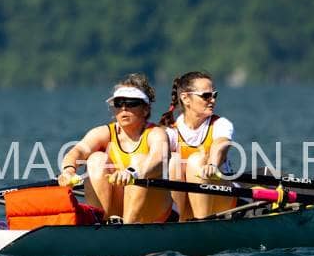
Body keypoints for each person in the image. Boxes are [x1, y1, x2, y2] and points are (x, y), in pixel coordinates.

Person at [58, 73, 173, 224]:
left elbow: (160, 159)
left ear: (145, 109)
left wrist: (132, 172)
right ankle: (99, 223)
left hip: (153, 210)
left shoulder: (156, 133)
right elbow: (77, 151)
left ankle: (127, 227)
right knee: (96, 159)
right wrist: (68, 170)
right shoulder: (103, 133)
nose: (124, 108)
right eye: (118, 103)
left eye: (131, 103)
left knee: (139, 160)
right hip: (117, 207)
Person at [158, 71, 236, 220]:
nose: (212, 100)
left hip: (222, 199)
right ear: (185, 98)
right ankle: (177, 222)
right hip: (185, 203)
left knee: (196, 161)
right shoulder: (172, 132)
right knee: (173, 161)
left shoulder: (221, 124)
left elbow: (220, 144)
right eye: (206, 96)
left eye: (214, 95)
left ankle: (202, 224)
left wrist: (212, 164)